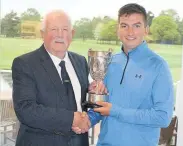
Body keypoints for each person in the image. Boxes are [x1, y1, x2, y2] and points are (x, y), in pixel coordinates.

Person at [73, 3, 174, 146]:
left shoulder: (158, 66)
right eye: (124, 25)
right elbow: (103, 108)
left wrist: (116, 111)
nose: (130, 32)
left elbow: (163, 117)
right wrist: (87, 120)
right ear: (118, 29)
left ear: (146, 30)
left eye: (137, 26)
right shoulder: (111, 62)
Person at [11, 10, 90, 146]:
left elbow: (82, 101)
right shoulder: (25, 64)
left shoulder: (81, 61)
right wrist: (71, 119)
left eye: (65, 29)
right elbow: (26, 109)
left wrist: (94, 93)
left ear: (72, 33)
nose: (60, 34)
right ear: (43, 34)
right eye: (54, 29)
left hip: (78, 141)